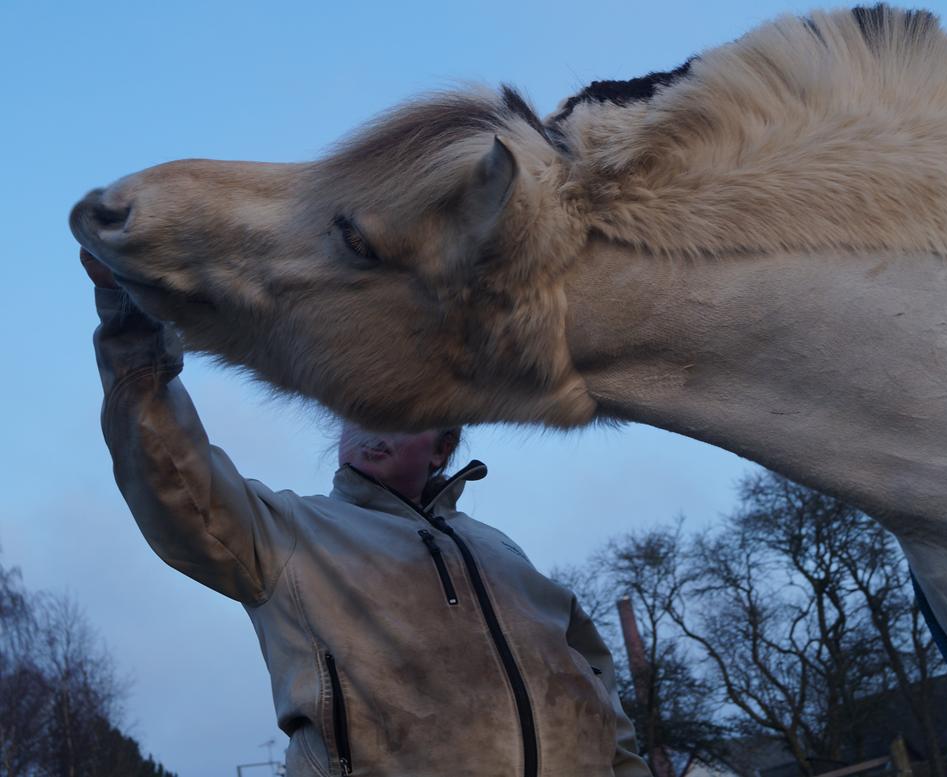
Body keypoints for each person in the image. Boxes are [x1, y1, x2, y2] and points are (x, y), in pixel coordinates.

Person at [82, 249, 650, 777]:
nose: (373, 423)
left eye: (399, 412)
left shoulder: (505, 554)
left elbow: (602, 699)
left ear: (442, 447)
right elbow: (172, 475)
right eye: (362, 406)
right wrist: (133, 322)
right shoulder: (288, 532)